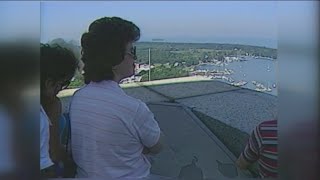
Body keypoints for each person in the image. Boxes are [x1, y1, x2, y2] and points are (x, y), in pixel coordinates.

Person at [70, 16, 163, 179]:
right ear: (114, 59)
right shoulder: (133, 108)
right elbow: (157, 146)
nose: (134, 58)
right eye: (131, 51)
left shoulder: (78, 97)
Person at [40, 43, 78, 178]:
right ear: (49, 83)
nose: (61, 89)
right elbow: (53, 152)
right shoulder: (52, 105)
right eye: (63, 83)